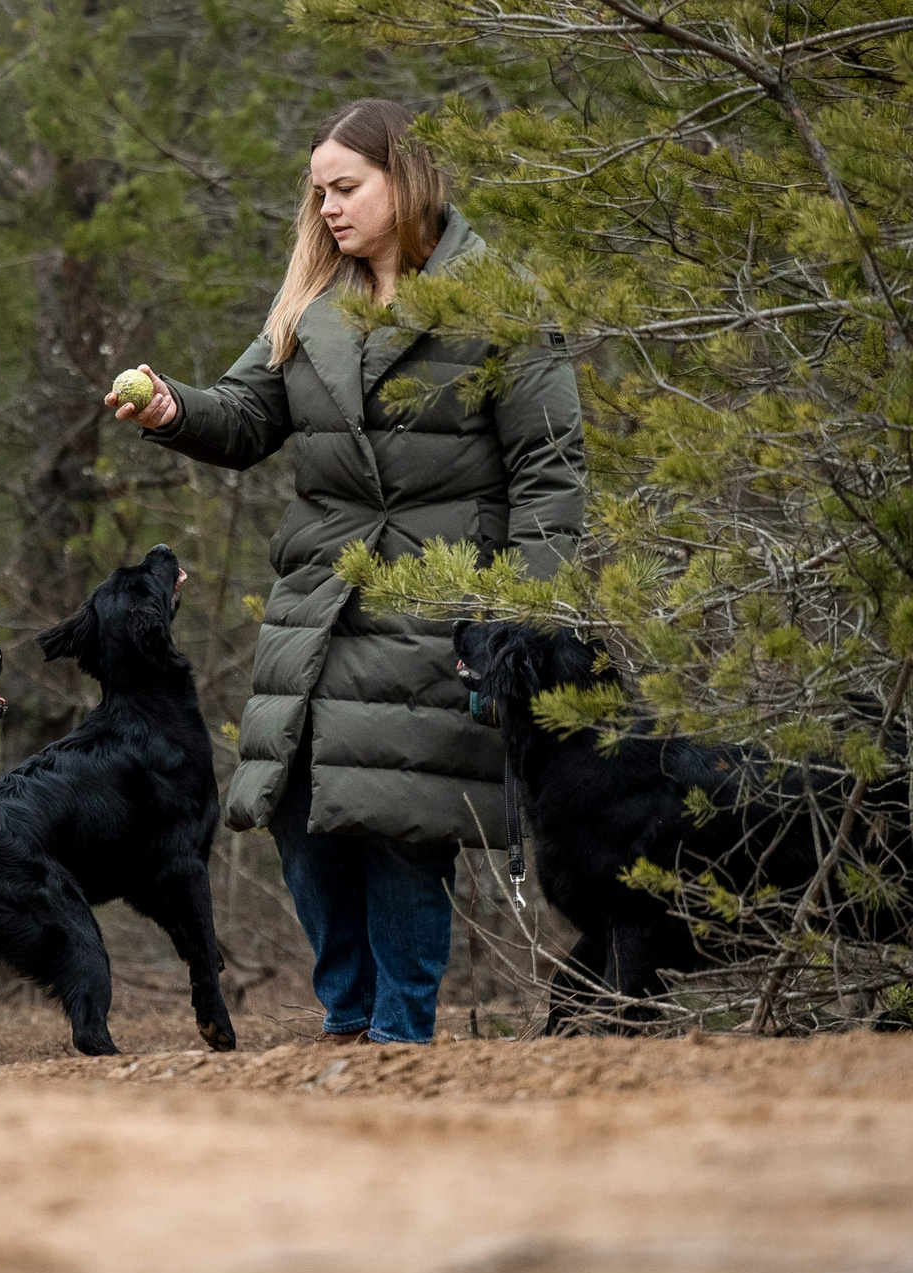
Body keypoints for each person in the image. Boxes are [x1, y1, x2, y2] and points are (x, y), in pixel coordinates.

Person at [104, 98, 586, 1045]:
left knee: (400, 822)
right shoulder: (312, 300)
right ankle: (348, 1014)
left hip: (437, 601)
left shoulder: (497, 299)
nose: (327, 207)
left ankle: (400, 1034)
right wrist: (172, 410)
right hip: (317, 602)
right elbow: (247, 413)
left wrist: (520, 610)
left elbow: (550, 466)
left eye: (346, 187)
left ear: (406, 179)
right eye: (319, 191)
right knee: (295, 810)